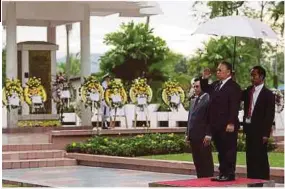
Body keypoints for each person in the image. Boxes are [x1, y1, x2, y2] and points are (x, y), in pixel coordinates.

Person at [200, 61, 241, 181]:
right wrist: (205, 78)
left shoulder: (234, 87)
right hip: (216, 124)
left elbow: (234, 106)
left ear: (228, 72)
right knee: (221, 150)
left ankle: (229, 173)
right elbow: (206, 88)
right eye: (217, 70)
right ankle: (222, 173)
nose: (217, 72)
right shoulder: (217, 84)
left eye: (220, 70)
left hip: (227, 124)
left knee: (229, 150)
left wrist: (231, 122)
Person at [242, 66, 275, 186]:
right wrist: (232, 79)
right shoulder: (248, 91)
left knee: (260, 157)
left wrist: (266, 133)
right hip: (249, 129)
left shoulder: (268, 94)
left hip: (260, 132)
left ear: (261, 76)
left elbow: (269, 115)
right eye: (251, 75)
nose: (252, 78)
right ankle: (251, 182)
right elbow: (237, 95)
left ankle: (263, 181)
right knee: (250, 157)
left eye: (254, 75)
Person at [186, 78, 214, 178]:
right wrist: (187, 134)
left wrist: (208, 134)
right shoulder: (193, 101)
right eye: (194, 86)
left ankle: (208, 182)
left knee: (206, 162)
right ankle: (200, 182)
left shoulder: (208, 99)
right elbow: (190, 118)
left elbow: (211, 118)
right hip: (193, 136)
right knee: (197, 162)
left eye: (197, 86)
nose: (195, 88)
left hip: (203, 137)